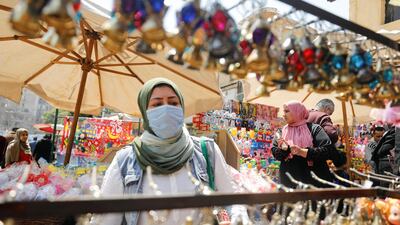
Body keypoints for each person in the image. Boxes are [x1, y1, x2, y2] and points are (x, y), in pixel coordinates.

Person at [91, 78, 248, 225]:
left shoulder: (207, 151)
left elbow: (233, 201)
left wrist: (237, 220)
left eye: (173, 103)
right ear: (145, 111)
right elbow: (106, 220)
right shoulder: (125, 159)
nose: (166, 109)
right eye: (157, 105)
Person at [272, 101, 333, 188]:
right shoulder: (281, 132)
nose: (283, 115)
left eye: (287, 111)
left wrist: (302, 152)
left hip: (314, 181)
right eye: (284, 111)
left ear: (297, 112)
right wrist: (284, 150)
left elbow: (327, 151)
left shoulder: (314, 129)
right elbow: (275, 153)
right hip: (290, 182)